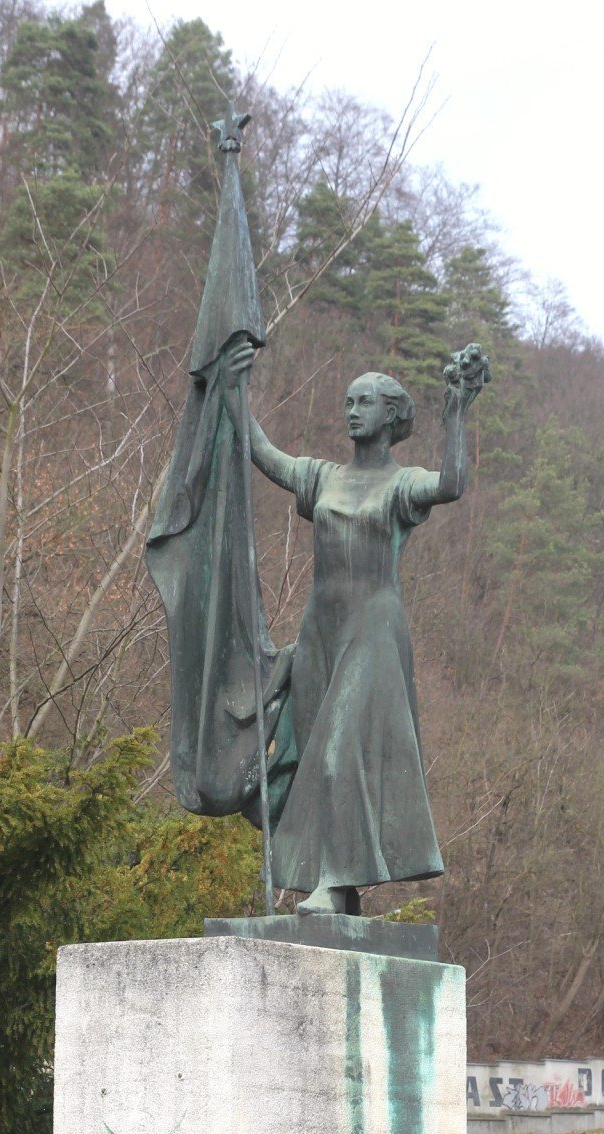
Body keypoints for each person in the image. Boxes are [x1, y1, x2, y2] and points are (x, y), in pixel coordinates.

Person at [220, 339, 490, 913]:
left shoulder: (402, 484)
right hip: (321, 630)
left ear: (391, 415)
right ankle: (336, 891)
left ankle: (333, 881)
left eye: (364, 401)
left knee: (342, 751)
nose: (351, 410)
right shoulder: (322, 477)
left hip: (373, 627)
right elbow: (262, 452)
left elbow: (452, 484)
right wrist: (233, 388)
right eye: (348, 401)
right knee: (315, 757)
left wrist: (457, 414)